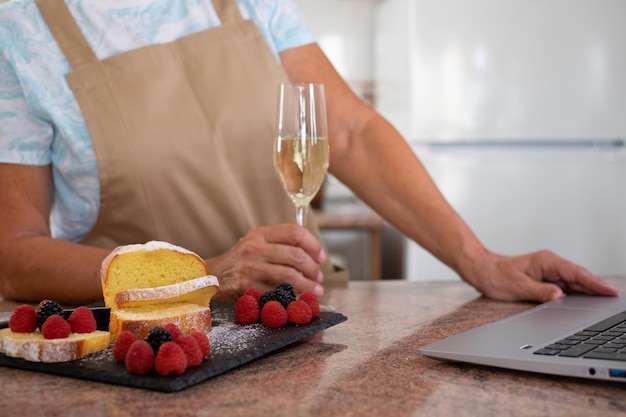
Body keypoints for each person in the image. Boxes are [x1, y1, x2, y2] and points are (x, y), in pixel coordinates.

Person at [0, 0, 618, 305]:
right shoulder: (20, 30)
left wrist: (479, 261)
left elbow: (347, 133)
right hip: (150, 351)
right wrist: (206, 273)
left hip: (296, 319)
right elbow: (15, 255)